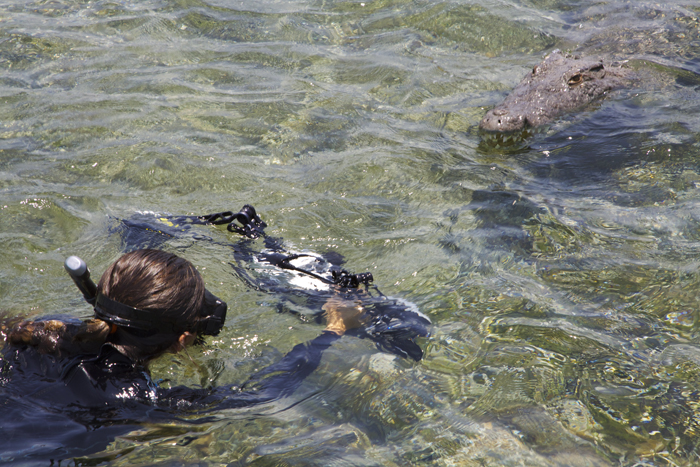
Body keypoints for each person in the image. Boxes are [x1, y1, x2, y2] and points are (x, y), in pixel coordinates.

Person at [0, 248, 366, 461]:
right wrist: (333, 330)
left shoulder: (41, 332)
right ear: (182, 339)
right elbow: (266, 391)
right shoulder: (139, 399)